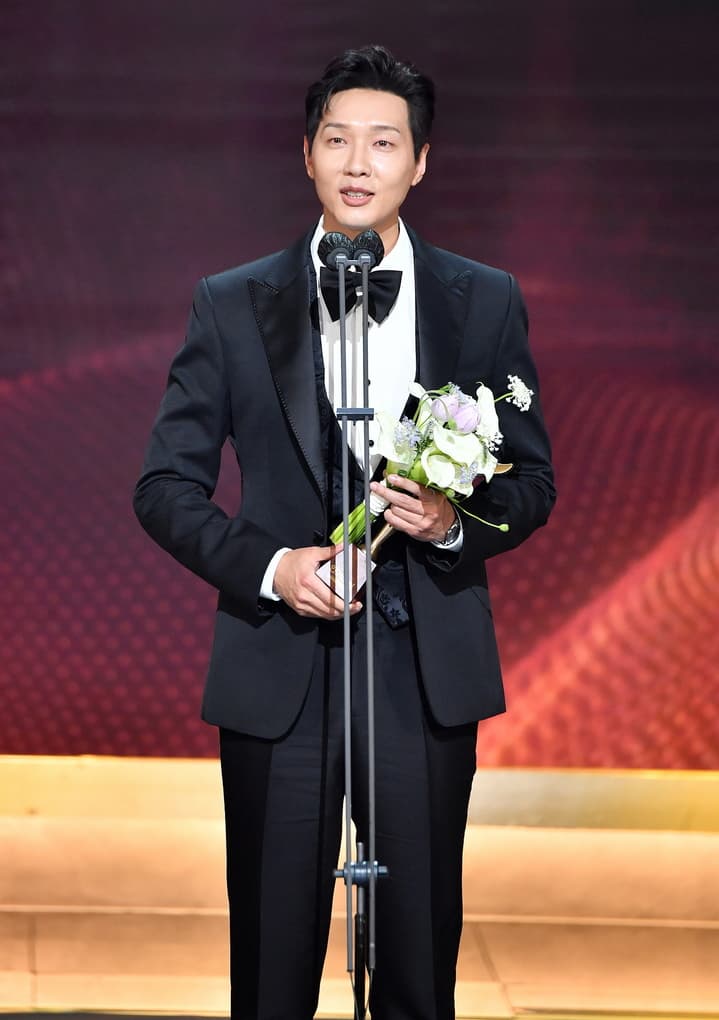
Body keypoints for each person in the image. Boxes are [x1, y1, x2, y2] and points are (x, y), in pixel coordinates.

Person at [133, 44, 555, 1020]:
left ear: (420, 162)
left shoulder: (484, 299)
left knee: (416, 964)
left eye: (383, 142)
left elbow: (530, 483)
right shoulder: (230, 302)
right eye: (337, 140)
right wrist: (274, 567)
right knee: (271, 967)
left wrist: (450, 524)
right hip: (280, 669)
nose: (358, 163)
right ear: (306, 154)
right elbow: (163, 487)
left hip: (422, 672)